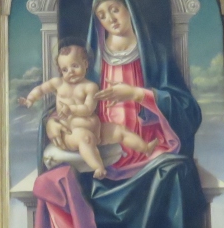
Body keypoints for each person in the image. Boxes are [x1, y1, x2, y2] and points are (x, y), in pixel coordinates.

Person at [11, 0, 224, 228]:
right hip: (106, 147)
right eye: (102, 14)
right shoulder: (91, 58)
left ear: (129, 9)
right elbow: (63, 101)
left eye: (115, 9)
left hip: (149, 139)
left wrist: (137, 94)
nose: (110, 18)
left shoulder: (153, 52)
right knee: (80, 175)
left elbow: (186, 106)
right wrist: (52, 123)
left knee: (171, 171)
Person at [19, 41, 160, 179]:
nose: (70, 72)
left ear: (85, 64)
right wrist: (30, 99)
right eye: (65, 69)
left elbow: (87, 109)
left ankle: (145, 148)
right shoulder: (58, 84)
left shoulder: (90, 87)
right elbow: (41, 89)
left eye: (75, 66)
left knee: (120, 130)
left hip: (96, 131)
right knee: (85, 139)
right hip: (71, 134)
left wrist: (71, 109)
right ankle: (98, 167)